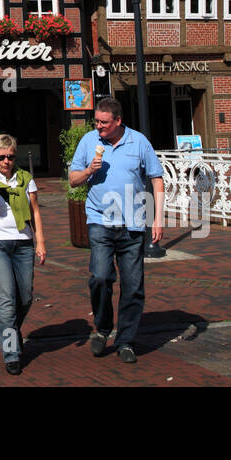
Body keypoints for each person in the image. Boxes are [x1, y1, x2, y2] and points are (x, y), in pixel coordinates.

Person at [69, 98, 164, 364]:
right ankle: (102, 328)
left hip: (133, 222)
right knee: (100, 276)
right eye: (96, 121)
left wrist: (158, 219)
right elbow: (73, 180)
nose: (98, 126)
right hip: (99, 219)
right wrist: (89, 170)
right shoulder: (89, 142)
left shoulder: (139, 142)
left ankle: (126, 340)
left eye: (104, 122)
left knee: (133, 286)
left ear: (118, 121)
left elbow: (156, 178)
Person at [0, 134, 45, 376]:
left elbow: (35, 211)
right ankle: (12, 352)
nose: (6, 161)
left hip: (23, 245)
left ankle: (11, 330)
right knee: (6, 299)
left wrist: (40, 242)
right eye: (1, 157)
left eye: (10, 156)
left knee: (24, 298)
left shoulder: (25, 179)